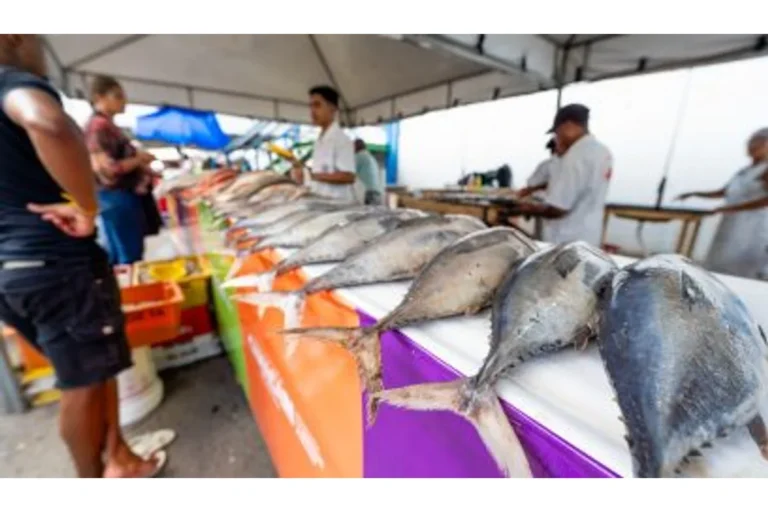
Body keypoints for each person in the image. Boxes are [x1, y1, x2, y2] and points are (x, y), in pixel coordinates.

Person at [0, 35, 165, 477]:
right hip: (54, 263)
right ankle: (92, 482)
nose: (42, 47)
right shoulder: (13, 83)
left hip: (16, 268)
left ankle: (118, 458)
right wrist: (87, 208)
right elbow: (48, 123)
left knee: (97, 365)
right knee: (82, 383)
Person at [513, 104, 613, 247]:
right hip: (589, 236)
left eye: (558, 131)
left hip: (565, 240)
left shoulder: (575, 157)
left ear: (569, 125)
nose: (557, 137)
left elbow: (558, 209)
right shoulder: (603, 152)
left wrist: (525, 209)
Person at [677, 128, 768, 279]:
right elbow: (725, 192)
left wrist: (730, 208)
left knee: (741, 266)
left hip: (752, 226)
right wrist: (695, 193)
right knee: (720, 261)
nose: (752, 146)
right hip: (731, 222)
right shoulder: (744, 171)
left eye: (757, 143)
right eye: (751, 142)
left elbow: (765, 200)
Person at [84, 75, 155, 264]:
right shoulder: (99, 126)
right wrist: (138, 159)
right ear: (99, 98)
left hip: (117, 198)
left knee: (123, 254)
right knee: (129, 256)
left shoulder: (106, 125)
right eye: (117, 96)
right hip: (117, 198)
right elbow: (109, 169)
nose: (123, 101)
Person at [291, 85, 356, 201]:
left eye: (317, 105)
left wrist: (312, 175)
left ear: (333, 108)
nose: (312, 111)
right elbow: (321, 172)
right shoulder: (319, 140)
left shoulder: (341, 139)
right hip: (320, 201)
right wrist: (304, 173)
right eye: (310, 106)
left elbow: (348, 176)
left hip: (338, 206)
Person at [354, 138, 383, 205]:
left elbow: (349, 173)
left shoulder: (359, 156)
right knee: (374, 214)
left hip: (368, 192)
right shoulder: (370, 156)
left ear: (355, 146)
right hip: (377, 192)